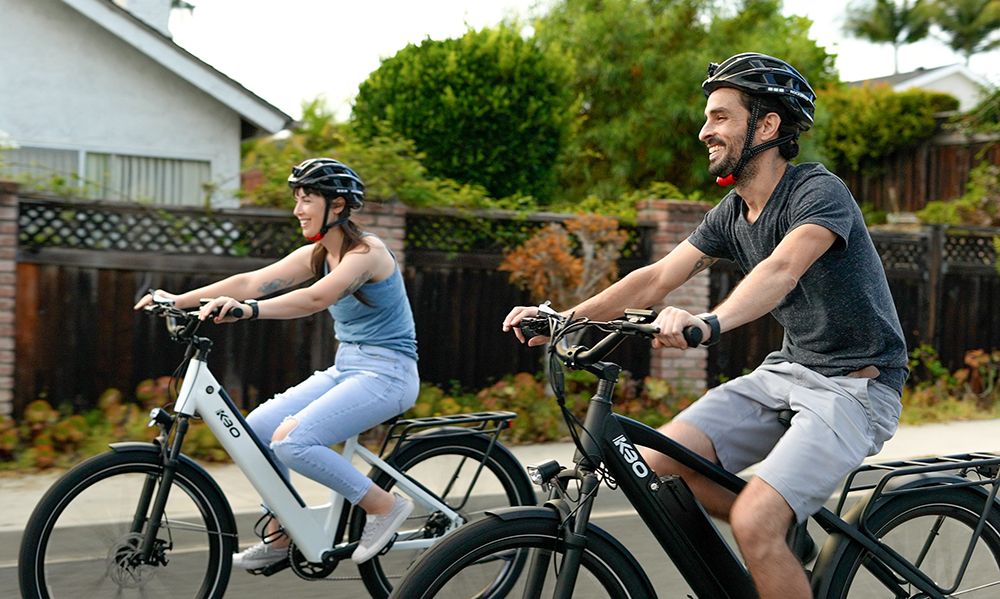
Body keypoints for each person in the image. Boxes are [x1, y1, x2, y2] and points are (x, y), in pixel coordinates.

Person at [502, 53, 908, 599]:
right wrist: (564, 320)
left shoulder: (817, 191)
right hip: (789, 373)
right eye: (707, 118)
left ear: (766, 125)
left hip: (856, 388)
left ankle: (768, 531)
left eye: (720, 117)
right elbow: (655, 278)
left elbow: (782, 270)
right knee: (658, 465)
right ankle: (780, 538)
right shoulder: (732, 212)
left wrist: (710, 323)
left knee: (754, 523)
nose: (704, 131)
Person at [135, 157, 419, 570]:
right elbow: (250, 281)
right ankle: (283, 532)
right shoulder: (318, 254)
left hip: (388, 373)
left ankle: (383, 505)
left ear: (338, 205)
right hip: (348, 366)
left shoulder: (367, 253)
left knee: (292, 441)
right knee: (259, 430)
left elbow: (316, 298)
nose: (298, 209)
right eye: (297, 199)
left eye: (307, 199)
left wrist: (248, 311)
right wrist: (177, 300)